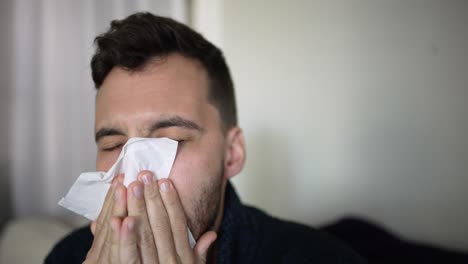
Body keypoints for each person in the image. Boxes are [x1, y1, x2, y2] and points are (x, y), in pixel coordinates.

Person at [45, 12, 364, 264]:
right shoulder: (68, 257)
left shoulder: (320, 258)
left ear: (232, 154)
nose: (136, 177)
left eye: (171, 140)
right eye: (113, 145)